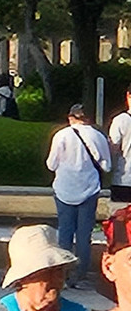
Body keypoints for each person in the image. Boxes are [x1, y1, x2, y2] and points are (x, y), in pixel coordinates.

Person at [46, 103, 111, 287]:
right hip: (89, 189)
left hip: (64, 188)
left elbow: (51, 164)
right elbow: (107, 166)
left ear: (70, 117)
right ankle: (81, 276)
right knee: (84, 234)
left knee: (65, 232)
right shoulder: (98, 136)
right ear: (88, 118)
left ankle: (63, 275)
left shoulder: (61, 136)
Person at [108, 85, 131, 203]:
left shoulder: (120, 120)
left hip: (123, 179)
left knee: (121, 218)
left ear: (128, 96)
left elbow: (113, 148)